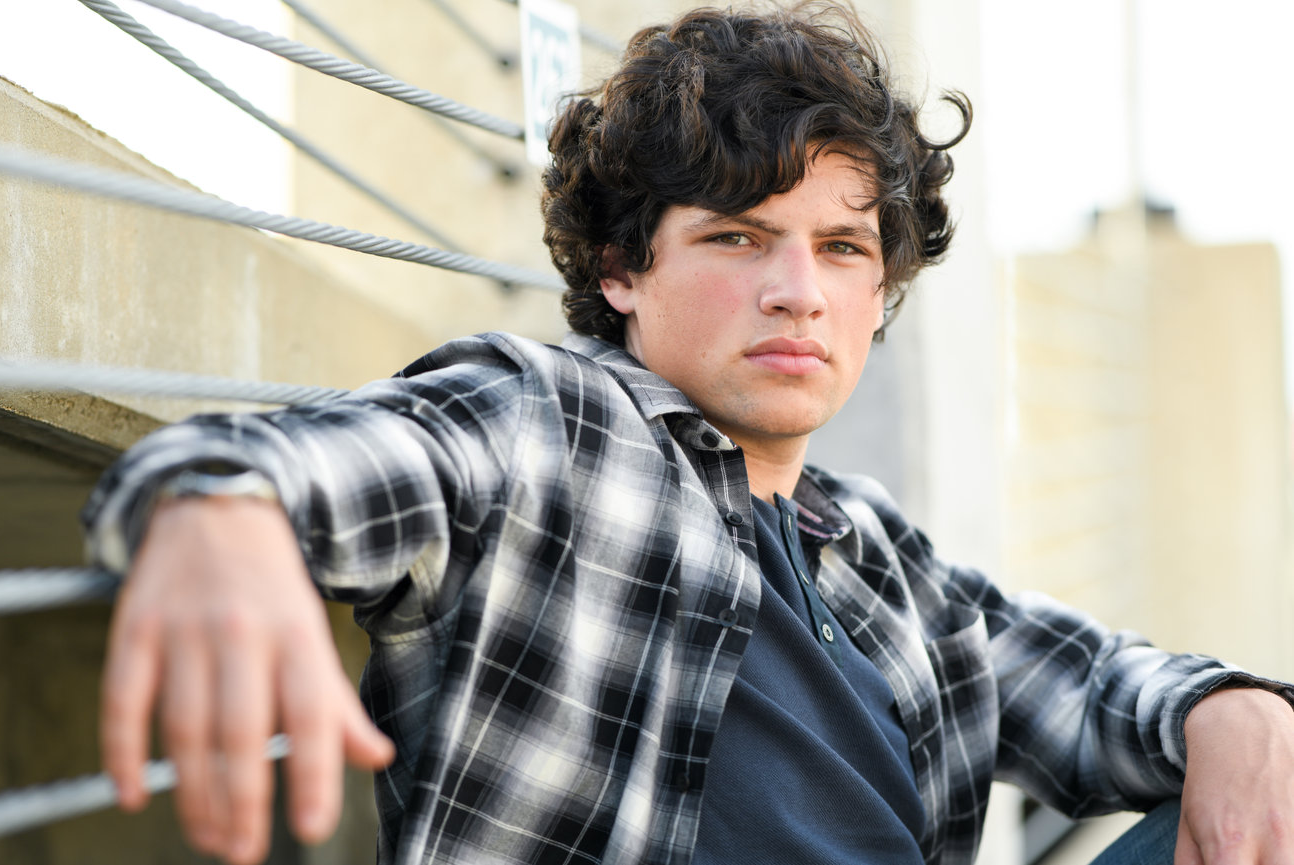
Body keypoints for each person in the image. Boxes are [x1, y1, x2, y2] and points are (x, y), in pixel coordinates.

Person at [83, 3, 1294, 865]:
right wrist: (220, 515)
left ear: (878, 289)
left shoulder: (870, 552)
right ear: (621, 267)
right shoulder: (546, 423)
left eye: (839, 248)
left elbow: (1089, 685)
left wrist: (1233, 711)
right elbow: (289, 460)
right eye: (734, 237)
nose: (796, 292)